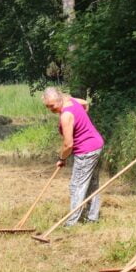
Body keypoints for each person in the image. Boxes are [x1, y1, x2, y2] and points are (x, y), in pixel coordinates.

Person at [43, 87, 105, 226]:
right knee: (92, 185)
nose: (50, 109)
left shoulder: (66, 115)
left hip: (86, 151)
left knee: (76, 185)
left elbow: (68, 144)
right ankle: (92, 218)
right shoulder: (70, 100)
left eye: (52, 105)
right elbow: (85, 103)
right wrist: (83, 116)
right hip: (96, 144)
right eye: (47, 106)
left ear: (59, 99)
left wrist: (62, 159)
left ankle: (72, 221)